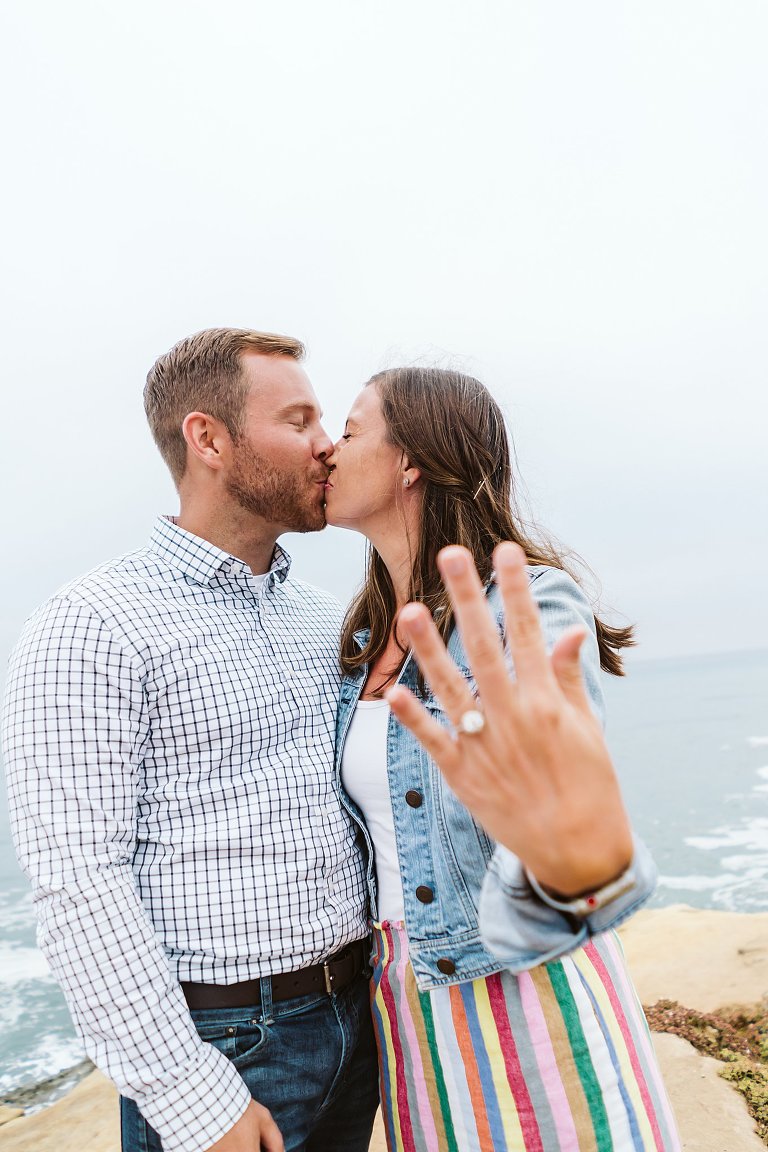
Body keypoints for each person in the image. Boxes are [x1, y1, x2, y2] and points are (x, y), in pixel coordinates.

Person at [2, 329, 381, 1152]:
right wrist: (190, 1097)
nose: (327, 446)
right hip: (232, 1047)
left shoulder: (324, 618)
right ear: (209, 438)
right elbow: (77, 879)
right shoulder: (91, 624)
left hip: (362, 1018)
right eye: (300, 419)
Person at [324, 367, 680, 1151]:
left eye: (349, 431)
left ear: (409, 459)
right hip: (406, 1001)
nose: (326, 449)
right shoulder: (357, 638)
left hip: (527, 986)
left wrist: (584, 867)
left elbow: (559, 779)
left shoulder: (530, 603)